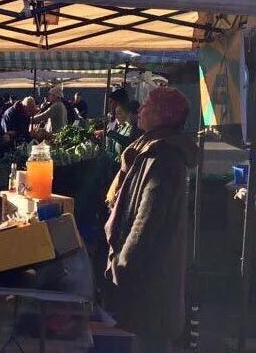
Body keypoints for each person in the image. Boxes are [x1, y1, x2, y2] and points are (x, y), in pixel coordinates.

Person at [103, 87, 194, 351]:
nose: (140, 109)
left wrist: (123, 264)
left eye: (147, 106)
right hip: (145, 274)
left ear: (162, 115)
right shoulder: (148, 148)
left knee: (150, 339)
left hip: (150, 277)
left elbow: (147, 219)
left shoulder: (163, 156)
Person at [97, 100, 144, 166]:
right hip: (116, 164)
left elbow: (129, 142)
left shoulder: (138, 129)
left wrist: (109, 133)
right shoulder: (123, 127)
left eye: (120, 113)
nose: (127, 117)